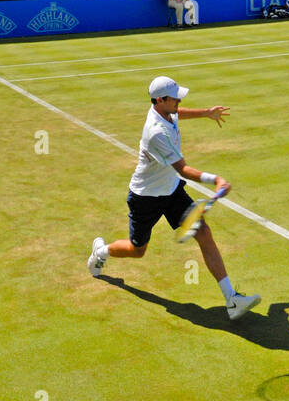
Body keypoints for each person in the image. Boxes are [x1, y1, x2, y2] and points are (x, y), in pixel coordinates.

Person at [87, 76, 260, 321]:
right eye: (174, 97)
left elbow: (180, 113)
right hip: (145, 197)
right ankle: (101, 252)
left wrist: (206, 112)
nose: (179, 100)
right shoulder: (155, 133)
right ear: (160, 100)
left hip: (171, 190)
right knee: (138, 250)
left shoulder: (166, 111)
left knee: (203, 232)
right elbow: (183, 169)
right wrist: (216, 180)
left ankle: (232, 299)